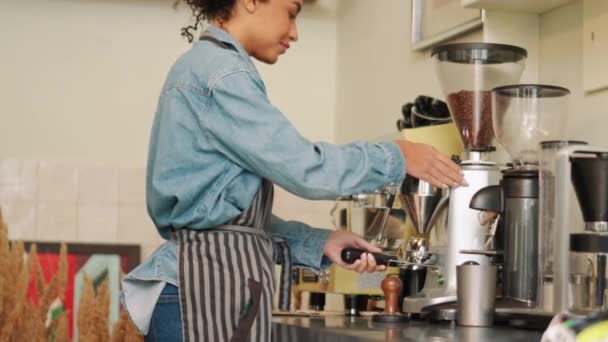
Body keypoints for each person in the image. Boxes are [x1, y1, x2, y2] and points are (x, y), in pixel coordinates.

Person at [120, 0, 466, 341]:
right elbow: (305, 169)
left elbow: (228, 222)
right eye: (292, 12)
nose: (295, 33)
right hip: (197, 297)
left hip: (199, 289)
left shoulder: (206, 67)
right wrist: (397, 156)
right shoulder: (222, 73)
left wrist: (319, 243)